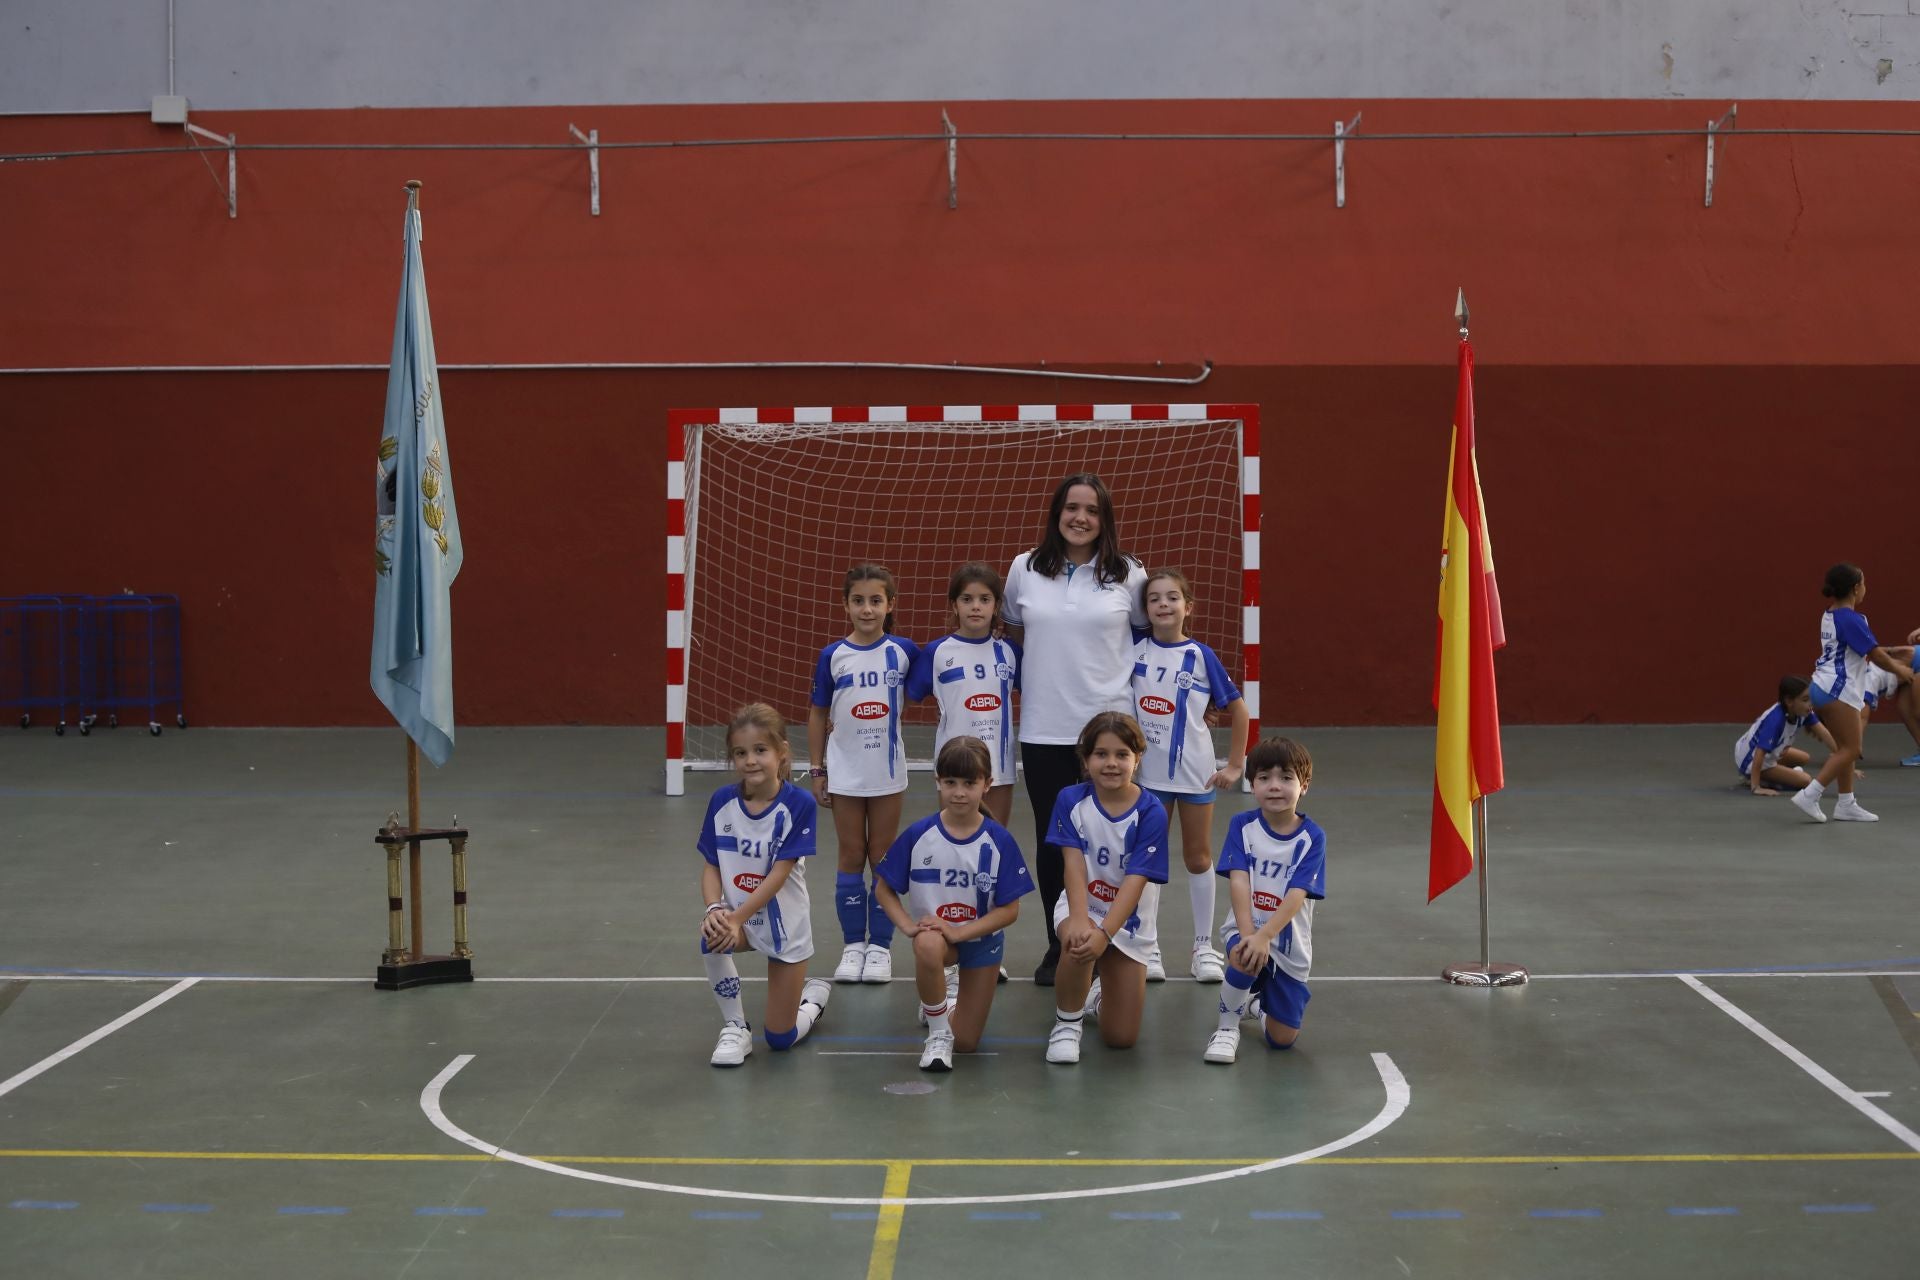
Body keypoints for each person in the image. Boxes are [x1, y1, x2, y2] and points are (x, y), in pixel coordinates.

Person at [1003, 474, 1150, 986]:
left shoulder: (1129, 574)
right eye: (1071, 508)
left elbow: (1148, 635)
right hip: (1044, 728)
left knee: (1115, 840)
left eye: (1091, 510)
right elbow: (1011, 630)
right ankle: (1059, 944)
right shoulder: (1024, 569)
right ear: (1056, 514)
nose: (1080, 518)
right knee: (1055, 843)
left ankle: (1125, 945)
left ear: (1104, 519)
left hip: (1108, 729)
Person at [873, 736, 1033, 1072]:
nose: (959, 792)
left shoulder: (998, 840)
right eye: (950, 782)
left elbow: (1010, 910)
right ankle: (937, 1034)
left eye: (969, 783)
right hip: (939, 941)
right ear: (938, 782)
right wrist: (907, 927)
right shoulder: (919, 835)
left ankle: (936, 1004)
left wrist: (960, 933)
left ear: (987, 785)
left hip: (981, 944)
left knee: (968, 1044)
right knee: (928, 944)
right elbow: (884, 888)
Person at [696, 704, 832, 1067]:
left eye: (760, 750)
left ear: (782, 752)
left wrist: (735, 917)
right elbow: (711, 865)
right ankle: (736, 1027)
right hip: (741, 920)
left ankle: (814, 999)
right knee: (712, 937)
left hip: (786, 927)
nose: (750, 761)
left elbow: (779, 874)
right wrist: (715, 911)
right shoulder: (722, 802)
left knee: (780, 1038)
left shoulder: (798, 804)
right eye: (740, 753)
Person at [1131, 568, 1249, 984]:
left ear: (1188, 607)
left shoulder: (1200, 657)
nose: (1163, 604)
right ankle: (1147, 945)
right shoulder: (1133, 652)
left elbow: (1237, 709)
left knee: (1198, 857)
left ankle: (1203, 947)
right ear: (1144, 610)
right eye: (1154, 599)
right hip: (1147, 779)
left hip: (1196, 775)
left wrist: (1234, 764)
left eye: (1172, 597)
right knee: (1148, 860)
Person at [808, 564, 919, 982]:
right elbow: (818, 713)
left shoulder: (905, 651)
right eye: (859, 601)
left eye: (876, 601)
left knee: (883, 856)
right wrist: (817, 768)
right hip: (846, 773)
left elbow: (937, 675)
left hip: (888, 773)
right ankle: (854, 945)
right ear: (845, 605)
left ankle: (881, 948)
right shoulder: (832, 656)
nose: (867, 609)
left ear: (891, 605)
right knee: (852, 855)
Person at [1042, 712, 1169, 1066]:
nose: (1111, 763)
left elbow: (1135, 881)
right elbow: (1073, 864)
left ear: (1137, 758)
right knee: (1076, 939)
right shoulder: (1070, 800)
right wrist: (1083, 922)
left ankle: (1097, 994)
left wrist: (1106, 933)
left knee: (1120, 1039)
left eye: (1122, 755)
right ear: (1085, 760)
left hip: (1129, 922)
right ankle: (1067, 1025)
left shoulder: (1152, 812)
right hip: (1084, 905)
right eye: (1101, 754)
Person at [1204, 736, 1326, 1065]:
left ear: (1304, 786)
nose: (1275, 786)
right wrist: (1249, 935)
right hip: (1245, 929)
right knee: (1244, 956)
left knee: (1282, 1040)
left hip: (1286, 943)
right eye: (1264, 778)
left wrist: (1265, 936)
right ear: (1252, 784)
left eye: (1286, 778)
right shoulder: (1242, 826)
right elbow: (1240, 881)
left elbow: (1297, 894)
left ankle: (1255, 1004)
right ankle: (1227, 1028)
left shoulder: (1312, 837)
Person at [1792, 564, 1913, 823]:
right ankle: (1810, 795)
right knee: (1850, 749)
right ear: (1856, 588)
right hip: (1837, 689)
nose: (1866, 588)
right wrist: (1901, 671)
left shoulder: (1832, 614)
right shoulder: (1850, 619)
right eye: (1864, 583)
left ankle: (1846, 804)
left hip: (1823, 686)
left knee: (1846, 747)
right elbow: (1876, 654)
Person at [906, 563, 1021, 826]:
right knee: (954, 841)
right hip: (952, 767)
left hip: (999, 766)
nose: (976, 606)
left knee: (995, 841)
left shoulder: (1011, 652)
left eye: (984, 599)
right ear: (954, 605)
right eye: (967, 599)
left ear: (996, 606)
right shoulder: (937, 653)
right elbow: (903, 700)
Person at [1733, 675, 1836, 796]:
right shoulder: (1775, 721)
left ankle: (1777, 774)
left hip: (1767, 753)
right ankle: (1757, 779)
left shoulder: (1803, 712)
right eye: (1805, 700)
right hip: (1750, 761)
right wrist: (1756, 787)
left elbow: (1824, 734)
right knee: (1805, 780)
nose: (1810, 704)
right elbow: (1759, 753)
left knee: (1804, 758)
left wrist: (1843, 756)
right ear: (1789, 701)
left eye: (1811, 699)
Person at [1857, 642, 1920, 768]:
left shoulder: (1864, 688)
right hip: (1909, 664)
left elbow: (1862, 719)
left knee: (1918, 712)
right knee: (1905, 709)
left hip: (1916, 661)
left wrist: (1850, 750)